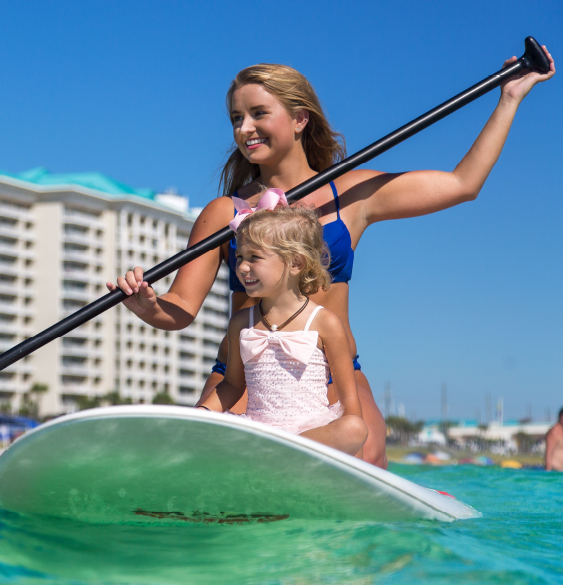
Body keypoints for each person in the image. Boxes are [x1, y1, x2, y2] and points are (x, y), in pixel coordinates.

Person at [110, 48, 554, 468]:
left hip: (330, 371)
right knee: (213, 470)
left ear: (300, 118)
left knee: (368, 459)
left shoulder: (351, 196)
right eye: (235, 119)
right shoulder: (224, 213)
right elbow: (180, 308)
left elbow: (462, 184)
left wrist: (509, 99)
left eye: (259, 114)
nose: (244, 128)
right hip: (244, 374)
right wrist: (150, 305)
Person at [196, 205, 367, 454]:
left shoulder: (324, 323)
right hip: (259, 431)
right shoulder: (241, 323)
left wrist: (355, 460)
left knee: (354, 429)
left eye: (254, 257)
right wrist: (202, 413)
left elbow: (349, 402)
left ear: (295, 263)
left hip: (309, 437)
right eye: (240, 258)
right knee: (209, 433)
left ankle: (283, 453)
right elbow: (232, 385)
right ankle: (272, 454)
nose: (242, 267)